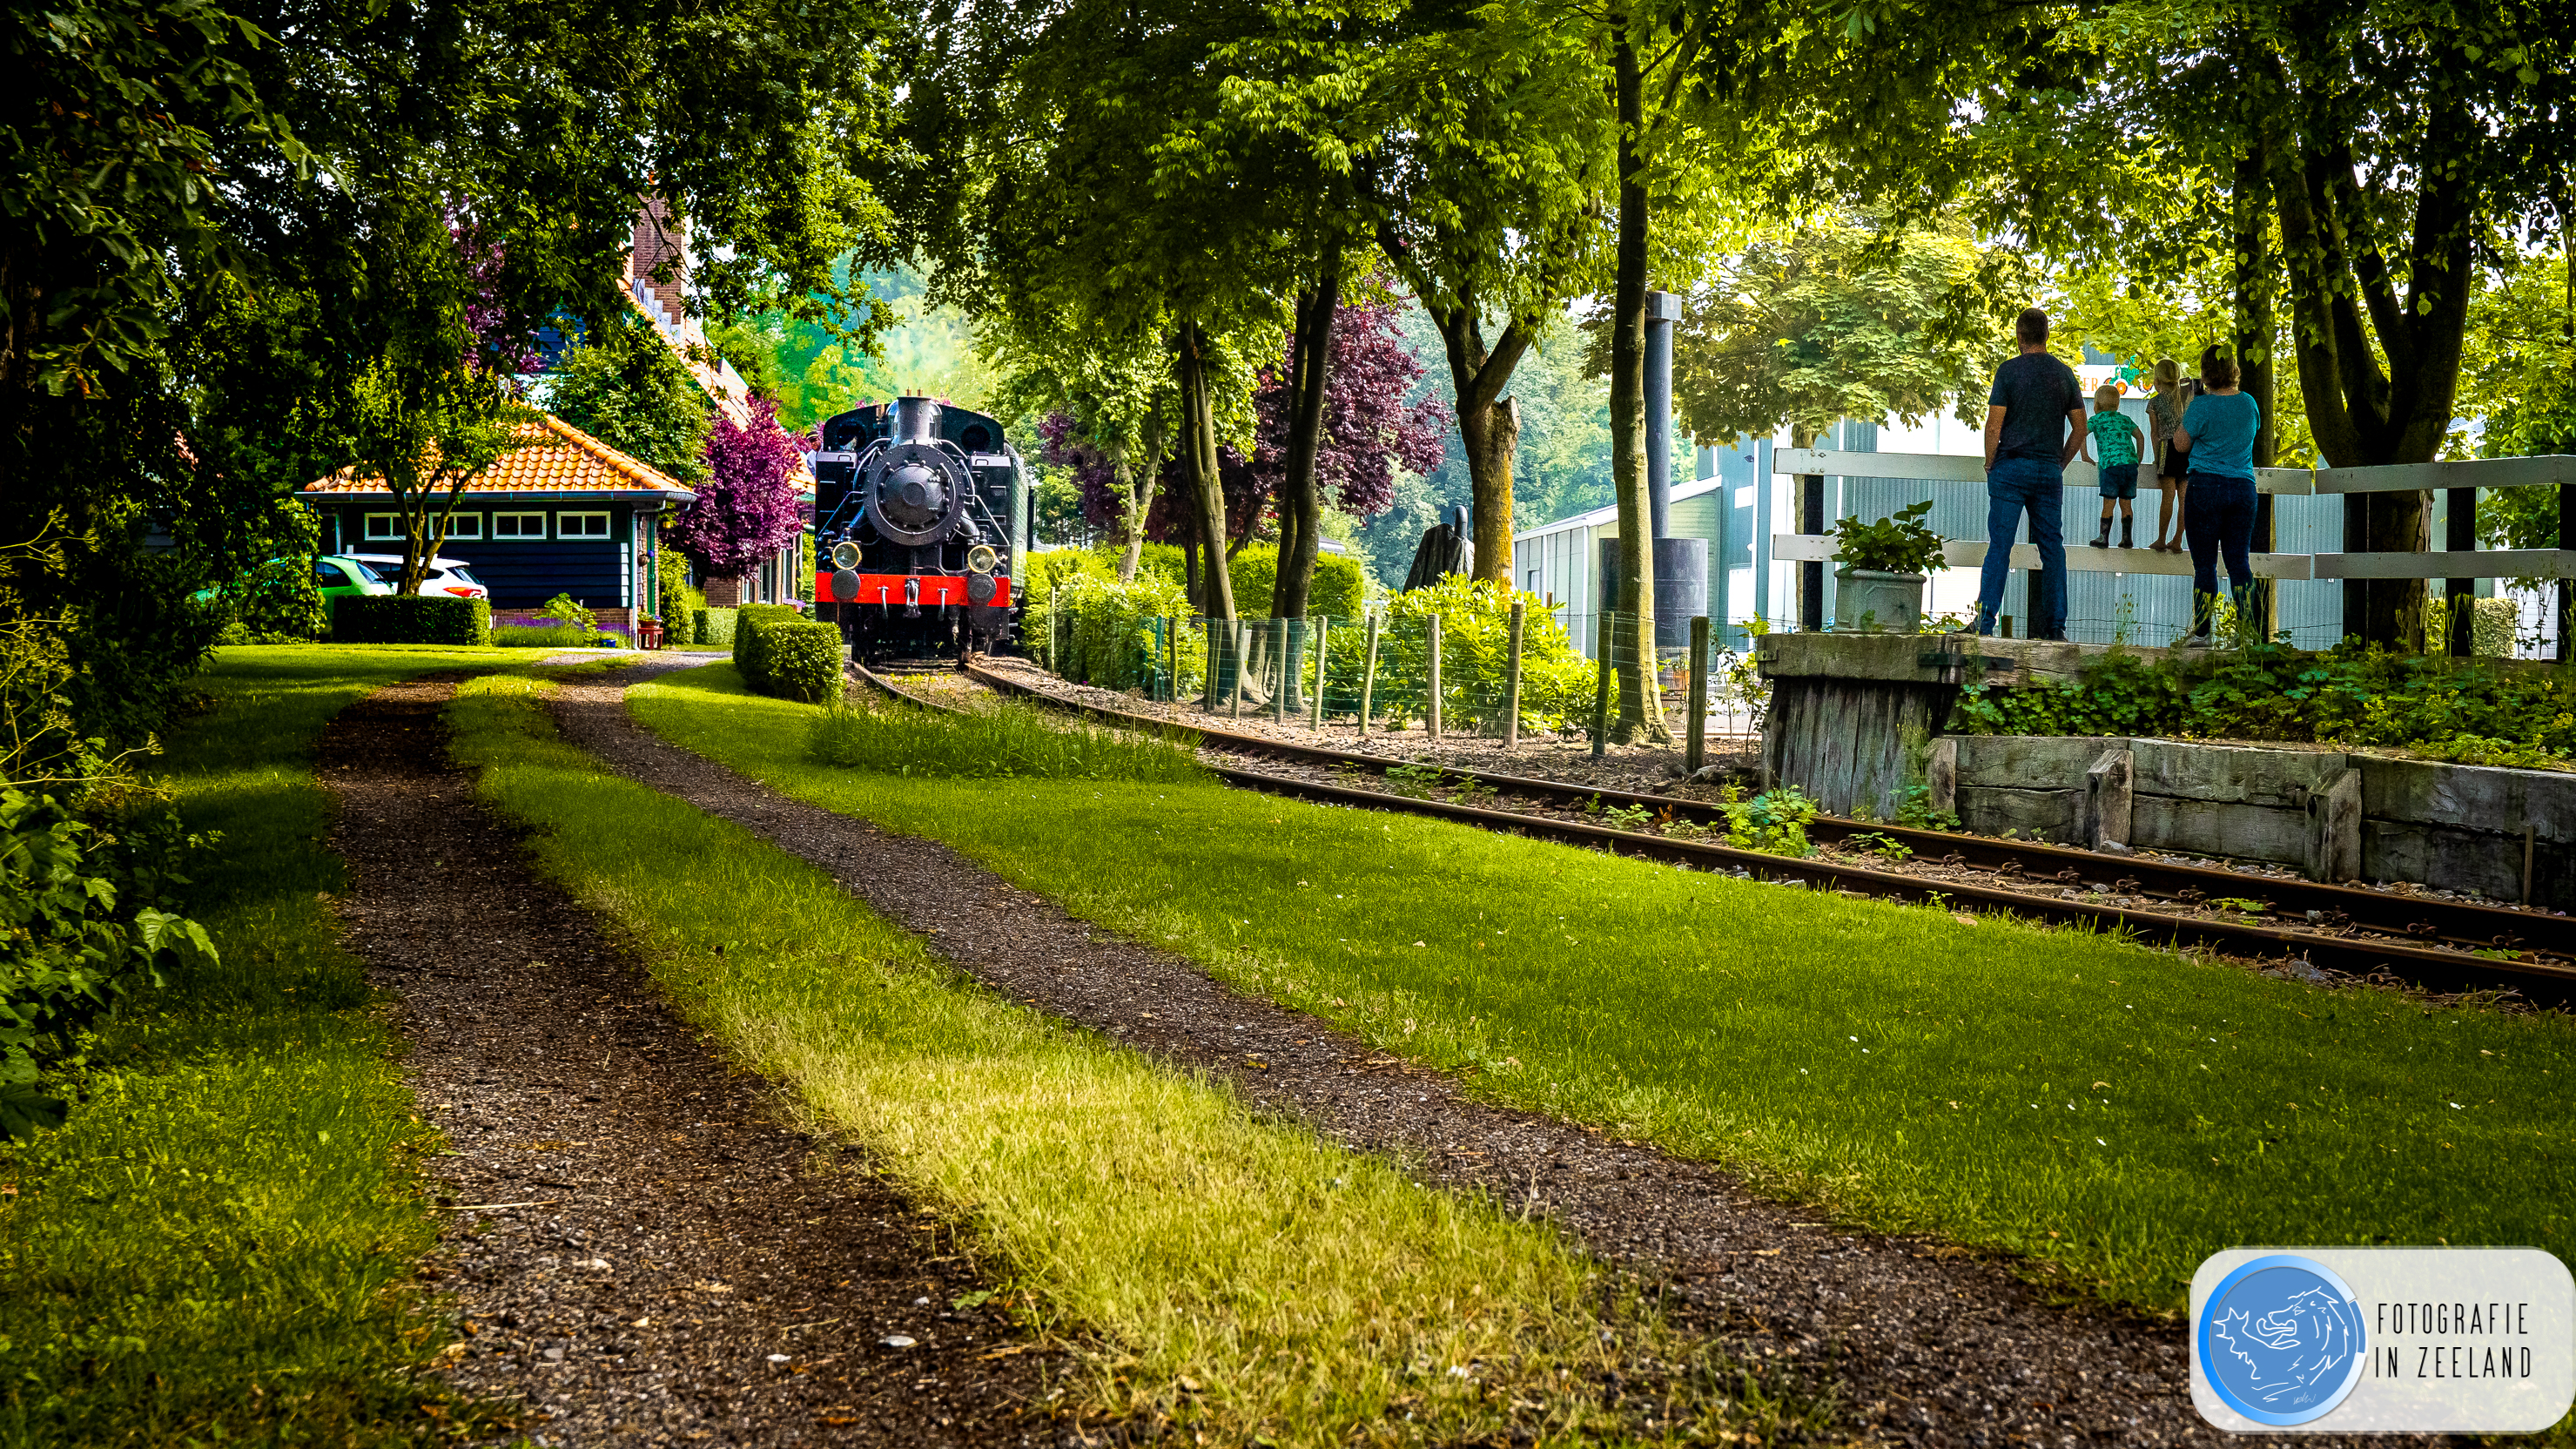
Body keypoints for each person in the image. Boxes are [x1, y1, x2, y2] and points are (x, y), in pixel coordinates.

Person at [1978, 307, 2086, 639]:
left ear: (2019, 335)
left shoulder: (2008, 371)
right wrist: (2059, 463)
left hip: (2011, 468)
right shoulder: (2064, 374)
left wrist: (1990, 462)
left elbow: (1994, 425)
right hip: (2048, 472)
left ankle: (1985, 623)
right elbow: (2080, 428)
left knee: (2000, 546)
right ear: (2047, 335)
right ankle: (2055, 628)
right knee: (2052, 548)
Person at [2171, 344, 2262, 644]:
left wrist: (2188, 409)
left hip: (2206, 488)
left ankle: (2202, 633)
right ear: (2234, 369)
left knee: (2205, 564)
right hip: (2243, 488)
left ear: (2206, 373)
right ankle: (2247, 633)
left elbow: (2180, 444)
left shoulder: (2201, 406)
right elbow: (2252, 433)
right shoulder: (2249, 403)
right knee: (2239, 562)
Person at [2082, 383, 2147, 548]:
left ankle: (2103, 538)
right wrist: (2138, 458)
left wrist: (2085, 455)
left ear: (2096, 405)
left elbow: (2081, 433)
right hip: (2130, 466)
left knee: (2109, 504)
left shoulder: (2096, 420)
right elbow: (2140, 436)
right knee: (2126, 504)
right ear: (2117, 405)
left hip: (2110, 466)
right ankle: (2127, 539)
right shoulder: (2125, 420)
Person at [2143, 358, 2190, 552]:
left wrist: (2157, 458)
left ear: (2157, 381)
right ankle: (2178, 539)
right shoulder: (2187, 398)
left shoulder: (2154, 403)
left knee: (2168, 497)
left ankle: (2161, 539)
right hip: (2187, 450)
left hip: (2167, 449)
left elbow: (2154, 434)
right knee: (2185, 500)